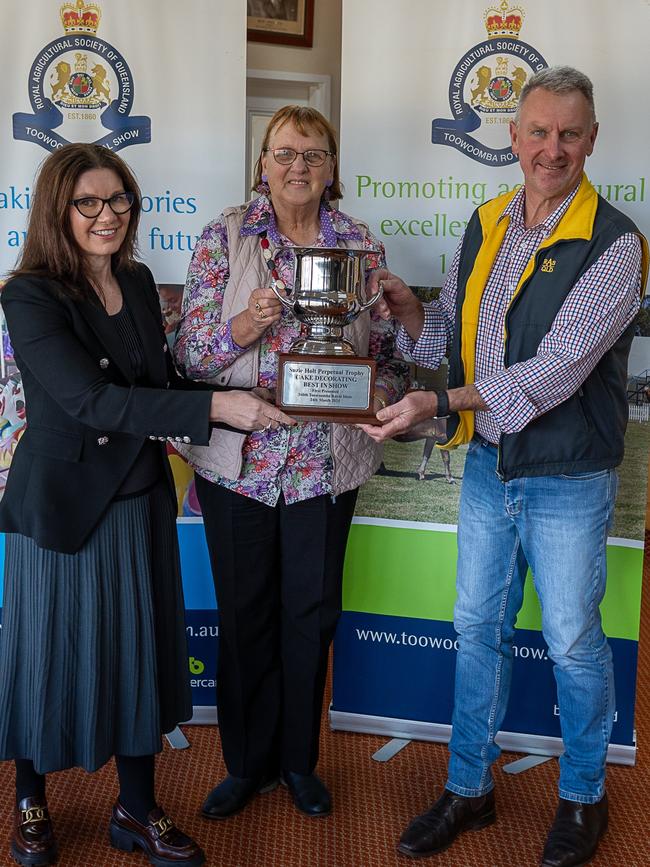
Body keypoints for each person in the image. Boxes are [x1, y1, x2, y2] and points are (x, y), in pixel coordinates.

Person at [360, 67, 647, 867]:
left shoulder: (616, 243)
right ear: (514, 137)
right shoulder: (484, 221)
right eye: (538, 131)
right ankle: (468, 787)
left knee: (572, 639)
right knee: (477, 627)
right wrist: (412, 313)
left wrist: (439, 403)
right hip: (489, 465)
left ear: (593, 141)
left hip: (566, 475)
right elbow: (451, 331)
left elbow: (555, 370)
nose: (552, 148)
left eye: (570, 133)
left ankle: (583, 795)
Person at [0, 143, 293, 867]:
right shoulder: (29, 293)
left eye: (120, 200)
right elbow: (89, 399)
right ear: (57, 211)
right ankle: (30, 800)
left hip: (136, 498)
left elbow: (156, 381)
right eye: (90, 203)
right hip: (63, 507)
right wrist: (215, 405)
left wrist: (234, 404)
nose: (108, 216)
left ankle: (137, 809)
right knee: (47, 655)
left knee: (138, 652)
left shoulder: (134, 280)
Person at [173, 105, 408, 819]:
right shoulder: (223, 236)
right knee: (245, 614)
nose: (298, 165)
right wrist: (248, 322)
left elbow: (390, 359)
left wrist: (380, 400)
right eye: (283, 152)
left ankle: (299, 761)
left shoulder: (360, 245)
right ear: (262, 164)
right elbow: (187, 357)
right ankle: (246, 763)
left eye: (313, 153)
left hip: (324, 464)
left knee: (311, 614)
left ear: (332, 166)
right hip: (239, 463)